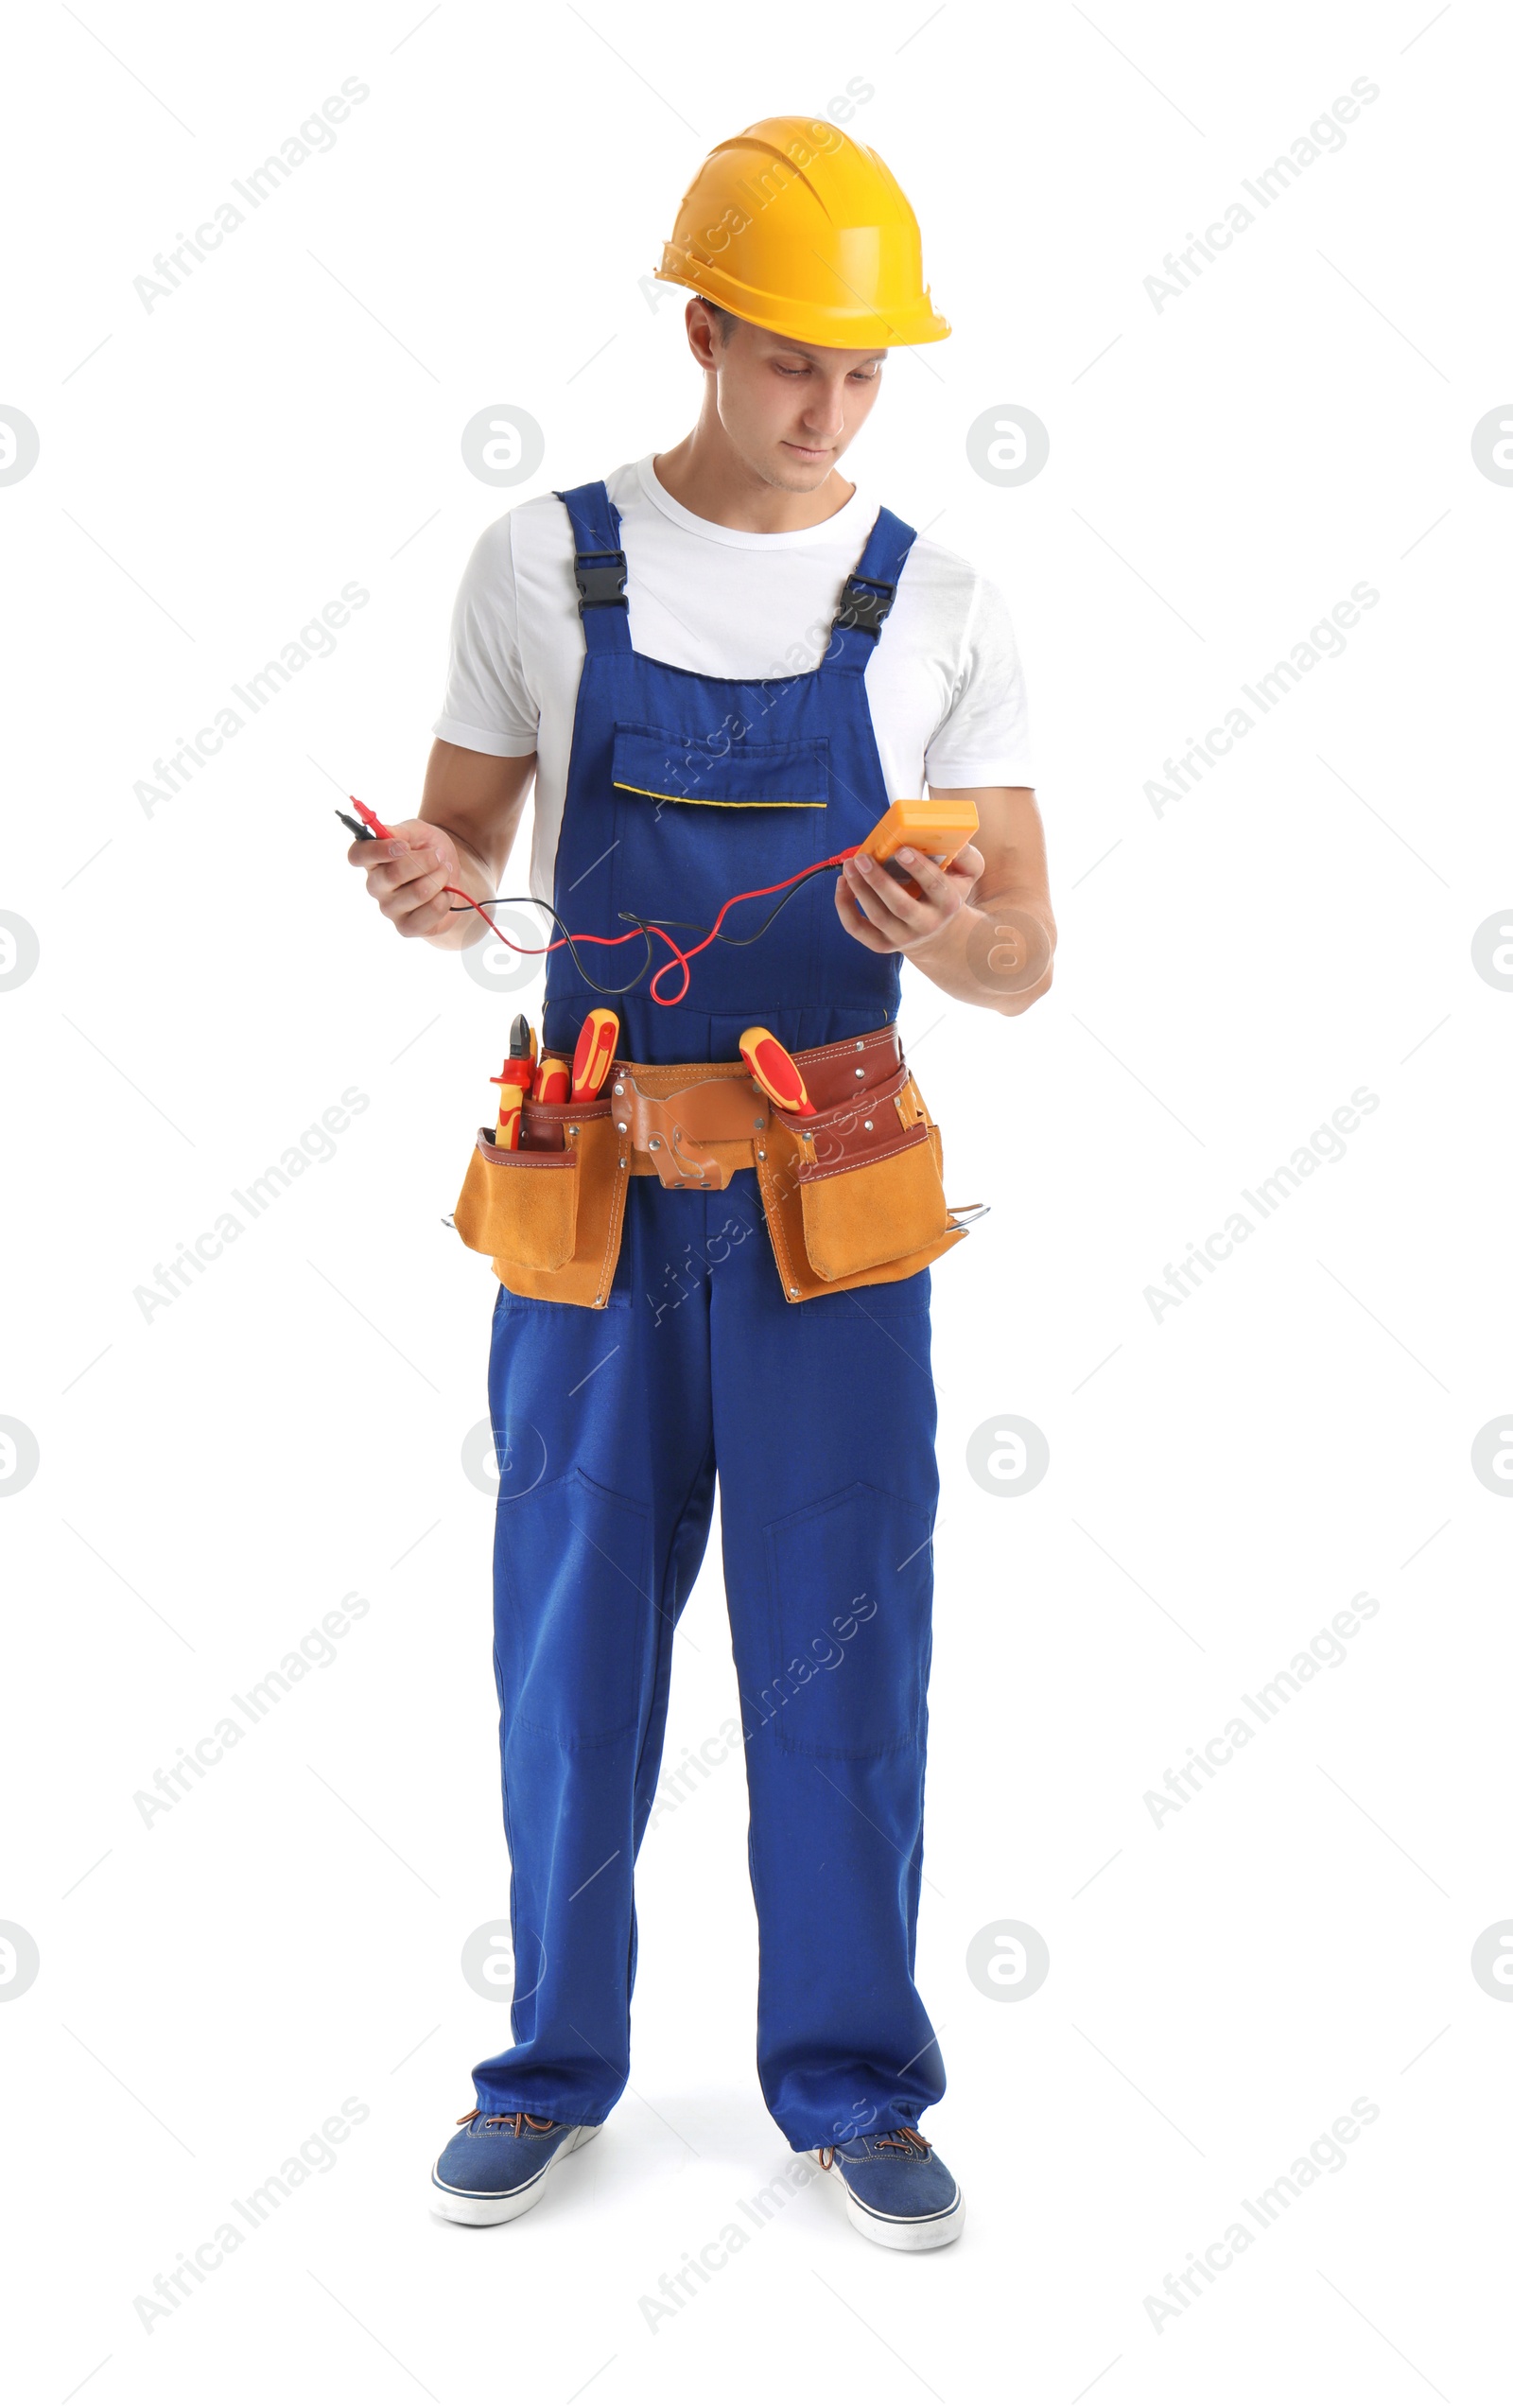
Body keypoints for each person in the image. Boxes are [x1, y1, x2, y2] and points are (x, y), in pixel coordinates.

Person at [351, 114, 1054, 2252]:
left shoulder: (934, 599)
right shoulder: (540, 565)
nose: (829, 410)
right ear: (704, 330)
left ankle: (851, 2086)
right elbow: (463, 857)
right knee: (569, 1642)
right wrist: (428, 887)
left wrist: (951, 932)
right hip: (589, 1185)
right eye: (791, 365)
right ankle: (548, 2067)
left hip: (831, 1212)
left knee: (842, 1646)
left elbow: (1027, 963)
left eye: (863, 373)